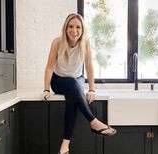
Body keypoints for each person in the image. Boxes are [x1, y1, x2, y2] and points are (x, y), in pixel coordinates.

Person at [40, 13, 116, 154]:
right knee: (71, 82)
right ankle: (93, 122)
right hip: (59, 81)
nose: (74, 31)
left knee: (72, 97)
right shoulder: (57, 42)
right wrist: (46, 89)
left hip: (77, 80)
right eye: (70, 26)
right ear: (65, 28)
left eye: (78, 27)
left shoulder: (85, 43)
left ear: (82, 29)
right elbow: (50, 67)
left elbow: (89, 66)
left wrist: (92, 89)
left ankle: (65, 146)